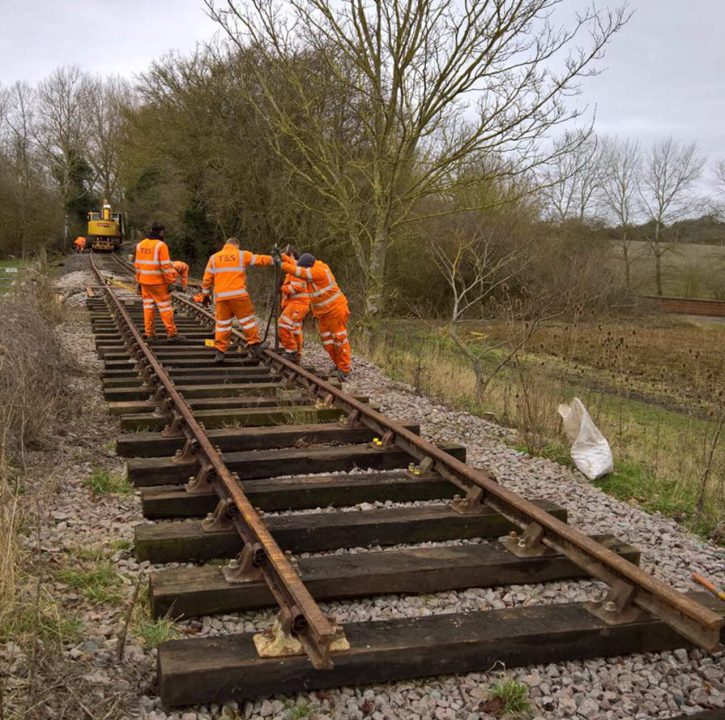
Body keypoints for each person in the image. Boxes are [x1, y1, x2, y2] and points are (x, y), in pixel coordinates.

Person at [200, 237, 275, 363]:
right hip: (238, 296)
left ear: (226, 245)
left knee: (222, 325)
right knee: (247, 321)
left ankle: (220, 352)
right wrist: (275, 259)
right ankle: (255, 344)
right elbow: (259, 259)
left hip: (221, 297)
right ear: (236, 245)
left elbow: (207, 279)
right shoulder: (241, 255)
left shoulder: (214, 258)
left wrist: (205, 295)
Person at [280, 252, 351, 379]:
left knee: (339, 339)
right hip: (324, 313)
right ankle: (339, 364)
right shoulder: (313, 266)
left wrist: (281, 264)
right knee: (327, 341)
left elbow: (299, 272)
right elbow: (298, 266)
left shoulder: (319, 271)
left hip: (335, 310)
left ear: (308, 266)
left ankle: (344, 368)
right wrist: (283, 257)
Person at [134, 222, 183, 343]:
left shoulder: (140, 245)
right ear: (161, 232)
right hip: (158, 283)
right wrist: (170, 282)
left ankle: (150, 334)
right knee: (165, 307)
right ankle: (172, 333)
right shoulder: (161, 245)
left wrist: (139, 281)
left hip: (145, 282)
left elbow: (137, 265)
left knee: (148, 307)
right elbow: (165, 267)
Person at [277, 249, 310, 362]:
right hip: (298, 304)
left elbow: (296, 287)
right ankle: (297, 352)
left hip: (298, 304)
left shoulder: (297, 269)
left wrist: (282, 288)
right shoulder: (295, 268)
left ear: (291, 256)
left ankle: (291, 350)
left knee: (283, 324)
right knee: (295, 330)